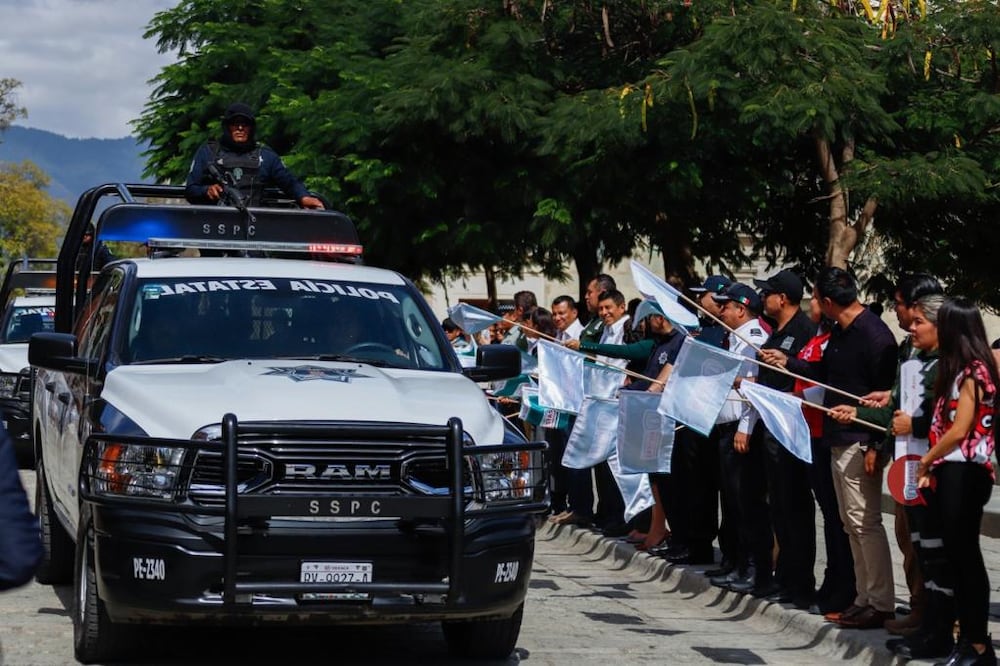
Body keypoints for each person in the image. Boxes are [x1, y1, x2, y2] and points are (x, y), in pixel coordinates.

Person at [760, 267, 898, 629]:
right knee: (849, 523)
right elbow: (826, 375)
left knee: (864, 522)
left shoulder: (875, 335)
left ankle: (879, 600)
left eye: (817, 298)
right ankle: (862, 597)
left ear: (828, 301)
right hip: (836, 438)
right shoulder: (839, 331)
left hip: (858, 439)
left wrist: (875, 442)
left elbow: (886, 398)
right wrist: (789, 363)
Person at [915, 297, 998, 665]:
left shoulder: (975, 371)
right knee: (956, 556)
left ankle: (978, 644)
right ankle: (969, 641)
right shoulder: (958, 368)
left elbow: (961, 428)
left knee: (966, 558)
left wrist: (926, 460)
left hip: (965, 470)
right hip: (951, 470)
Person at [751, 269, 817, 607]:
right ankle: (785, 577)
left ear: (784, 298)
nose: (763, 298)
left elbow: (809, 377)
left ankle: (800, 581)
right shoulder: (775, 332)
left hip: (792, 432)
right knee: (778, 507)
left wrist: (788, 362)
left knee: (795, 508)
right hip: (770, 430)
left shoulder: (804, 331)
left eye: (768, 293)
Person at [707, 283, 774, 597]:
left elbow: (753, 390)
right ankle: (736, 562)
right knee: (733, 503)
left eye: (726, 305)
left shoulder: (753, 339)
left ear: (741, 309)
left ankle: (751, 568)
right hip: (726, 428)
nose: (721, 310)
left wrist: (745, 429)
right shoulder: (735, 337)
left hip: (740, 429)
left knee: (747, 504)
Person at [185, 102, 324, 209]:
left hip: (255, 228)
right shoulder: (208, 152)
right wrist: (207, 191)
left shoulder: (265, 156)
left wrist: (303, 197)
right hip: (216, 228)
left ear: (251, 128)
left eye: (245, 124)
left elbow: (289, 182)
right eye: (235, 123)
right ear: (227, 127)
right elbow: (191, 190)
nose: (240, 128)